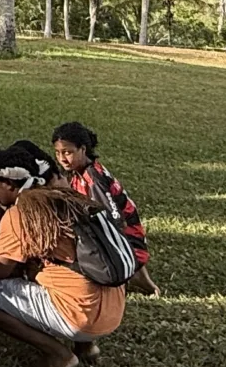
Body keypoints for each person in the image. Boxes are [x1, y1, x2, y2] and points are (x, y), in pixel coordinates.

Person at [0, 167, 125, 367]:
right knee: (65, 274)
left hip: (80, 318)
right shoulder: (73, 199)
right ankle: (87, 347)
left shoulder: (21, 213)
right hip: (114, 313)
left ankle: (59, 355)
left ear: (9, 184)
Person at [52, 121, 157, 294]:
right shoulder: (80, 172)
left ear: (83, 150)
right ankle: (136, 274)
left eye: (68, 152)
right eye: (58, 153)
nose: (62, 158)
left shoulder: (93, 178)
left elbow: (116, 221)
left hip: (129, 240)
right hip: (128, 241)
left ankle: (130, 271)